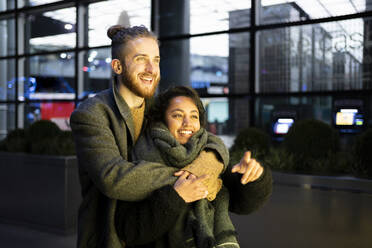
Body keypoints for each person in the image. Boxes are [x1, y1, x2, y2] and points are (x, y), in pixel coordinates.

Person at [70, 24, 270, 248]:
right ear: (117, 66)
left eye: (156, 60)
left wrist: (212, 161)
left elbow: (202, 137)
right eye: (140, 59)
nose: (151, 68)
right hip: (111, 237)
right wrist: (193, 179)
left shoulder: (155, 110)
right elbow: (112, 176)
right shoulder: (91, 113)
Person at [114, 86, 273, 248]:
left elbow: (243, 204)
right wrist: (176, 197)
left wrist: (252, 178)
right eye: (177, 115)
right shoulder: (139, 156)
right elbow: (128, 229)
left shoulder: (211, 157)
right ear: (160, 120)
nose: (187, 123)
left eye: (194, 116)